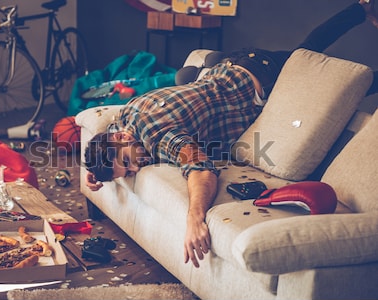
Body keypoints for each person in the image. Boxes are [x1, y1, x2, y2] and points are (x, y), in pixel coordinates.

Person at [83, 1, 378, 268]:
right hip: (234, 65)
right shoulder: (126, 116)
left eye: (128, 161)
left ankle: (361, 9)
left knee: (337, 82)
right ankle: (361, 9)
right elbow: (108, 137)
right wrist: (98, 170)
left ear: (122, 140)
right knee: (309, 47)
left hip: (263, 76)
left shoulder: (159, 136)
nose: (136, 168)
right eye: (127, 169)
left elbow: (200, 169)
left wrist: (194, 218)